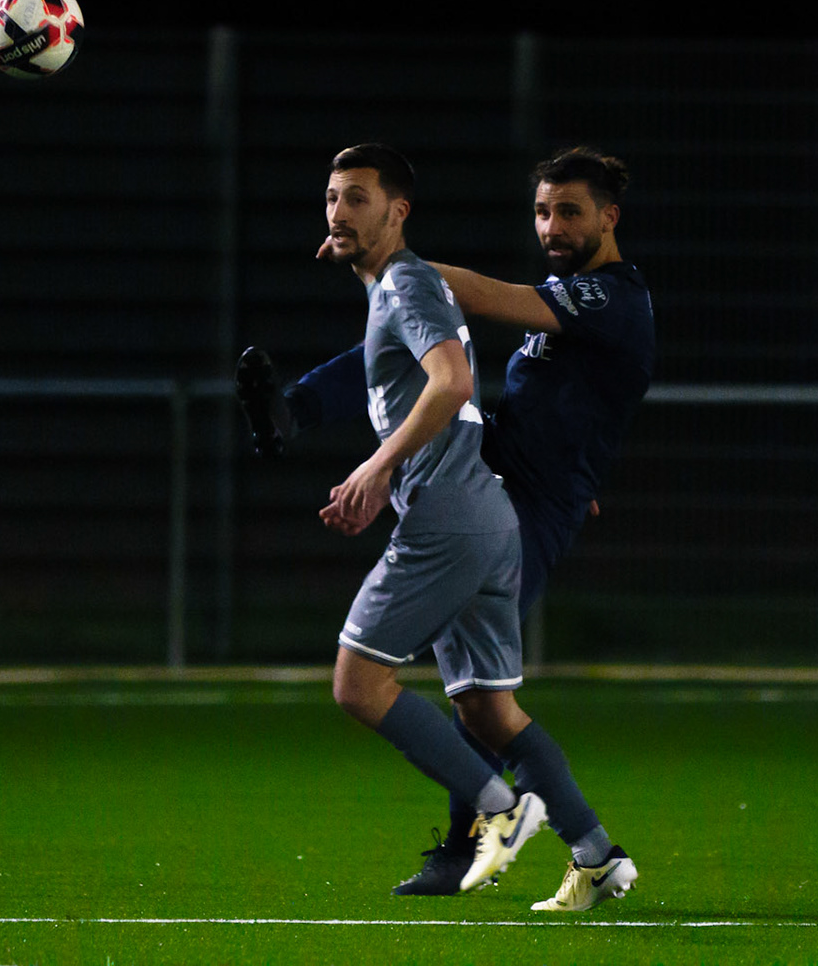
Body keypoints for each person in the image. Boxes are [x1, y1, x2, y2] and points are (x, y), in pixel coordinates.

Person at [239, 146, 652, 906]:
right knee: (484, 703)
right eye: (541, 211)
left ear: (609, 217)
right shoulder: (562, 295)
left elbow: (482, 310)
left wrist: (403, 269)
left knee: (388, 687)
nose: (551, 226)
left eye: (569, 212)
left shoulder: (613, 296)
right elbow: (412, 347)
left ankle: (485, 826)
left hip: (518, 506)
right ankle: (594, 855)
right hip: (501, 490)